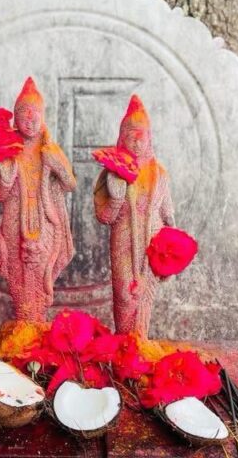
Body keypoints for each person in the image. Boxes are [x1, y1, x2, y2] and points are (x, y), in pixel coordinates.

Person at [0, 77, 76, 322]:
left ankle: (37, 323)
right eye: (24, 114)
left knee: (41, 275)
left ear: (43, 116)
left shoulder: (50, 150)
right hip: (15, 223)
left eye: (35, 114)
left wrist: (57, 165)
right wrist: (6, 174)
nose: (30, 120)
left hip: (47, 223)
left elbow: (70, 184)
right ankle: (23, 325)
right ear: (15, 119)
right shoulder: (7, 150)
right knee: (18, 275)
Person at [94, 95, 174, 336]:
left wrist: (172, 249)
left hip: (153, 240)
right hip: (124, 240)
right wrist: (116, 197)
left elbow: (167, 213)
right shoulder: (112, 173)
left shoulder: (159, 173)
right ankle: (123, 342)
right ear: (122, 138)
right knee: (125, 295)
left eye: (142, 135)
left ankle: (139, 342)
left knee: (146, 295)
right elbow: (105, 217)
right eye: (131, 135)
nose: (137, 141)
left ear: (150, 138)